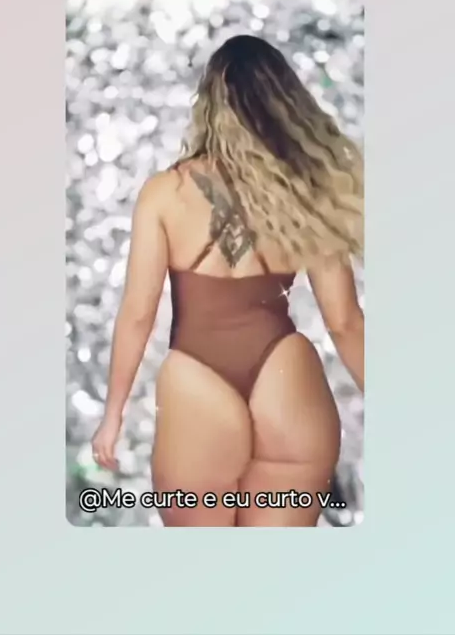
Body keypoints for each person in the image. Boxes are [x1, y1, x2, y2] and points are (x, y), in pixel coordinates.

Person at [91, 34, 364, 528]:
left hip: (198, 381)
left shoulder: (165, 193)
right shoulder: (307, 191)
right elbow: (344, 321)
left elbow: (137, 314)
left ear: (209, 104)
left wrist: (113, 415)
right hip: (286, 377)